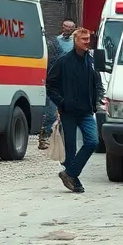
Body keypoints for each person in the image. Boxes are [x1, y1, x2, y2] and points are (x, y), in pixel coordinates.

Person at [46, 26, 103, 194]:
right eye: (84, 39)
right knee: (70, 150)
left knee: (92, 142)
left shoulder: (90, 62)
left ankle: (70, 173)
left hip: (86, 111)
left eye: (88, 39)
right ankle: (74, 180)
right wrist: (62, 103)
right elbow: (50, 84)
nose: (87, 42)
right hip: (69, 112)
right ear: (75, 41)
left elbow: (97, 83)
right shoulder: (64, 62)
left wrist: (98, 98)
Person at [39, 19, 77, 151]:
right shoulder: (54, 43)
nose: (67, 29)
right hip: (55, 82)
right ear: (62, 27)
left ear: (74, 29)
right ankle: (45, 137)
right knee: (51, 111)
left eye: (70, 28)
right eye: (66, 27)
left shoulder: (75, 44)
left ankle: (64, 139)